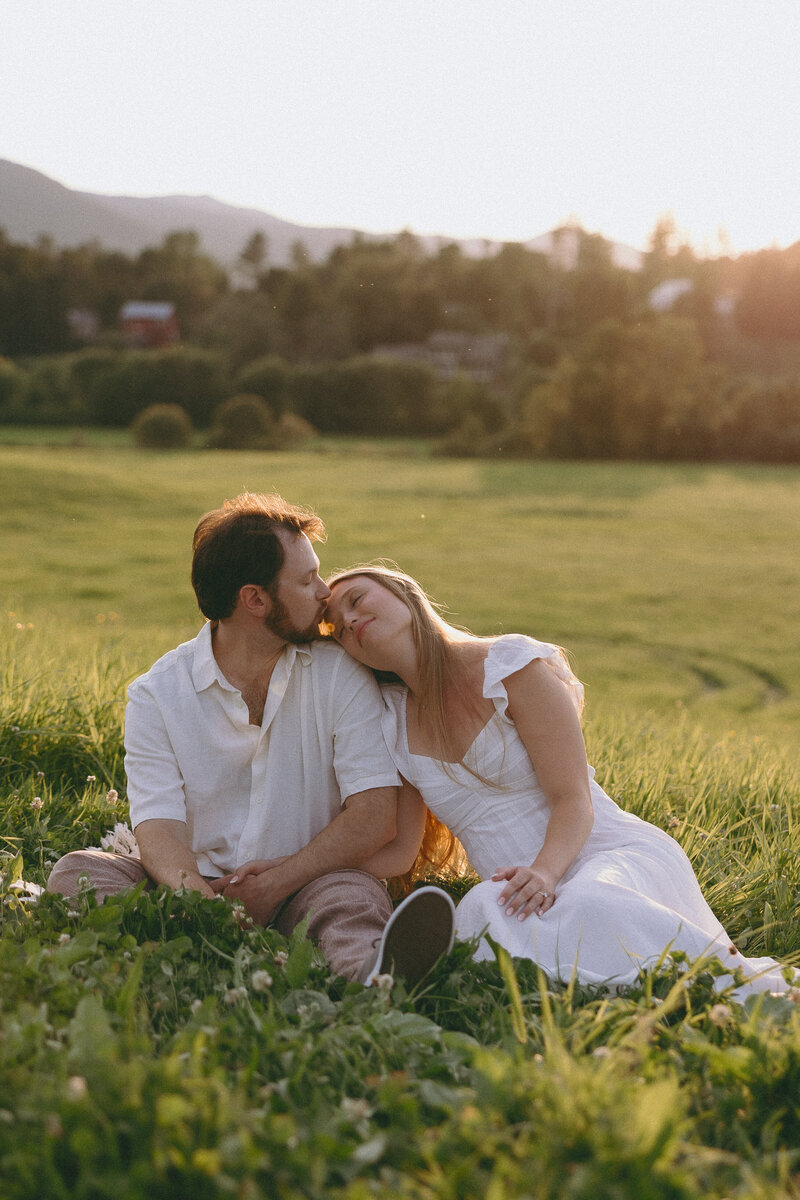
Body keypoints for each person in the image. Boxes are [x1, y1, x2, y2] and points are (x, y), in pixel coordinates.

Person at [324, 564, 798, 998]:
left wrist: (546, 874)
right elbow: (403, 851)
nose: (347, 619)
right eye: (335, 625)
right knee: (478, 909)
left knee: (591, 899)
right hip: (519, 892)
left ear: (403, 593)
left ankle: (734, 991)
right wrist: (302, 872)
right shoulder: (391, 721)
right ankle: (615, 990)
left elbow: (573, 800)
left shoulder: (508, 666)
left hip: (604, 854)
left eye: (357, 599)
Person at [47, 494, 454, 986]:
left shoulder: (340, 674)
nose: (324, 592)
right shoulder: (157, 695)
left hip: (307, 882)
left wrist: (276, 884)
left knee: (350, 895)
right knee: (79, 872)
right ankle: (185, 946)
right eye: (306, 581)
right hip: (192, 891)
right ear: (255, 600)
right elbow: (157, 830)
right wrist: (201, 901)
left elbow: (373, 814)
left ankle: (373, 973)